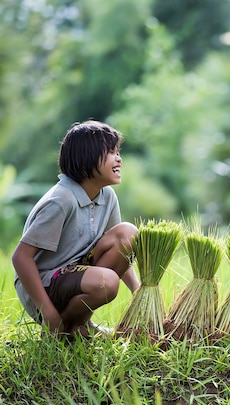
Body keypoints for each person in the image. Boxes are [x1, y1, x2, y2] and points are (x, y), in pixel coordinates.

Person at [12, 120, 140, 338]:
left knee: (128, 233)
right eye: (110, 152)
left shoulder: (107, 195)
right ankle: (60, 328)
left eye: (118, 151)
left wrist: (139, 292)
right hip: (45, 285)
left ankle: (78, 325)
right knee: (106, 282)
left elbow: (120, 251)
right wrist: (49, 314)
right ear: (84, 162)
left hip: (77, 274)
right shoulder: (61, 200)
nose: (118, 158)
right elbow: (21, 258)